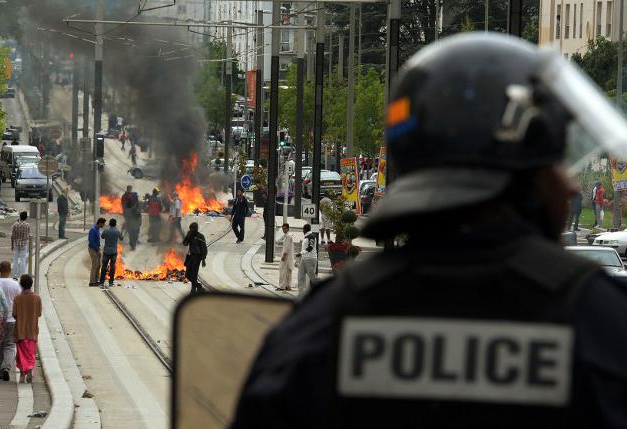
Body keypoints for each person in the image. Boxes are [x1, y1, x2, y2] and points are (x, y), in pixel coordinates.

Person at [233, 34, 627, 428]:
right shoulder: (600, 325)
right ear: (525, 176)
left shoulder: (317, 330)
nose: (572, 187)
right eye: (557, 163)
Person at [13, 274, 42, 383]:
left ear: (21, 285)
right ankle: (30, 368)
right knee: (30, 353)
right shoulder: (37, 298)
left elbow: (14, 314)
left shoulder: (17, 298)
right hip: (32, 331)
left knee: (21, 354)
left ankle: (22, 374)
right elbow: (39, 313)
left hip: (20, 331)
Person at [0, 261, 21, 381]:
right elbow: (19, 301)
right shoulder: (15, 285)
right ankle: (6, 367)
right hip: (11, 318)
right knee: (10, 345)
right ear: (10, 270)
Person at [182, 222, 207, 294]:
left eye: (192, 228)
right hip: (190, 256)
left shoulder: (200, 236)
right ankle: (199, 286)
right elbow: (185, 243)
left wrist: (203, 259)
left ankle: (193, 290)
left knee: (194, 274)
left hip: (197, 257)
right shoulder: (189, 234)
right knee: (187, 275)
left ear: (195, 228)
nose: (191, 230)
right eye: (190, 228)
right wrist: (187, 237)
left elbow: (204, 248)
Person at [99, 219, 123, 287]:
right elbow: (121, 238)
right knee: (112, 267)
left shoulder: (106, 230)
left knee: (104, 266)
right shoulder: (117, 231)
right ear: (115, 224)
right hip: (113, 252)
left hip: (106, 251)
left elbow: (102, 236)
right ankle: (111, 282)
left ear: (109, 224)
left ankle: (101, 281)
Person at [295, 224, 317, 296]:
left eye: (303, 230)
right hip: (304, 259)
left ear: (304, 230)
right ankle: (301, 294)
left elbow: (310, 248)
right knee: (300, 276)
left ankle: (321, 289)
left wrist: (300, 253)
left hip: (311, 259)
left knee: (312, 276)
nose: (302, 231)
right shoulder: (306, 237)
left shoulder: (312, 237)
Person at [11, 211, 31, 276]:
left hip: (16, 243)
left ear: (20, 216)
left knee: (15, 259)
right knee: (23, 259)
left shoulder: (15, 224)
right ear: (26, 217)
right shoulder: (27, 225)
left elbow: (12, 236)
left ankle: (15, 274)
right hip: (24, 244)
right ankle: (23, 274)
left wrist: (12, 245)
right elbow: (28, 235)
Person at [88, 218, 106, 286]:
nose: (104, 225)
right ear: (100, 223)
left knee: (98, 265)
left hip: (96, 248)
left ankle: (95, 280)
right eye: (103, 224)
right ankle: (92, 282)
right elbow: (91, 241)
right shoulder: (93, 230)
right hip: (93, 249)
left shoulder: (97, 229)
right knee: (94, 265)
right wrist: (97, 250)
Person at [277, 223, 295, 291]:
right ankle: (288, 285)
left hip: (286, 256)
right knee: (288, 271)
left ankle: (282, 286)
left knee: (283, 271)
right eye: (283, 229)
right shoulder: (287, 235)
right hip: (289, 256)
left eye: (284, 228)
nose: (283, 230)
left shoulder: (288, 236)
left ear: (288, 228)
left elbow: (287, 247)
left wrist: (284, 255)